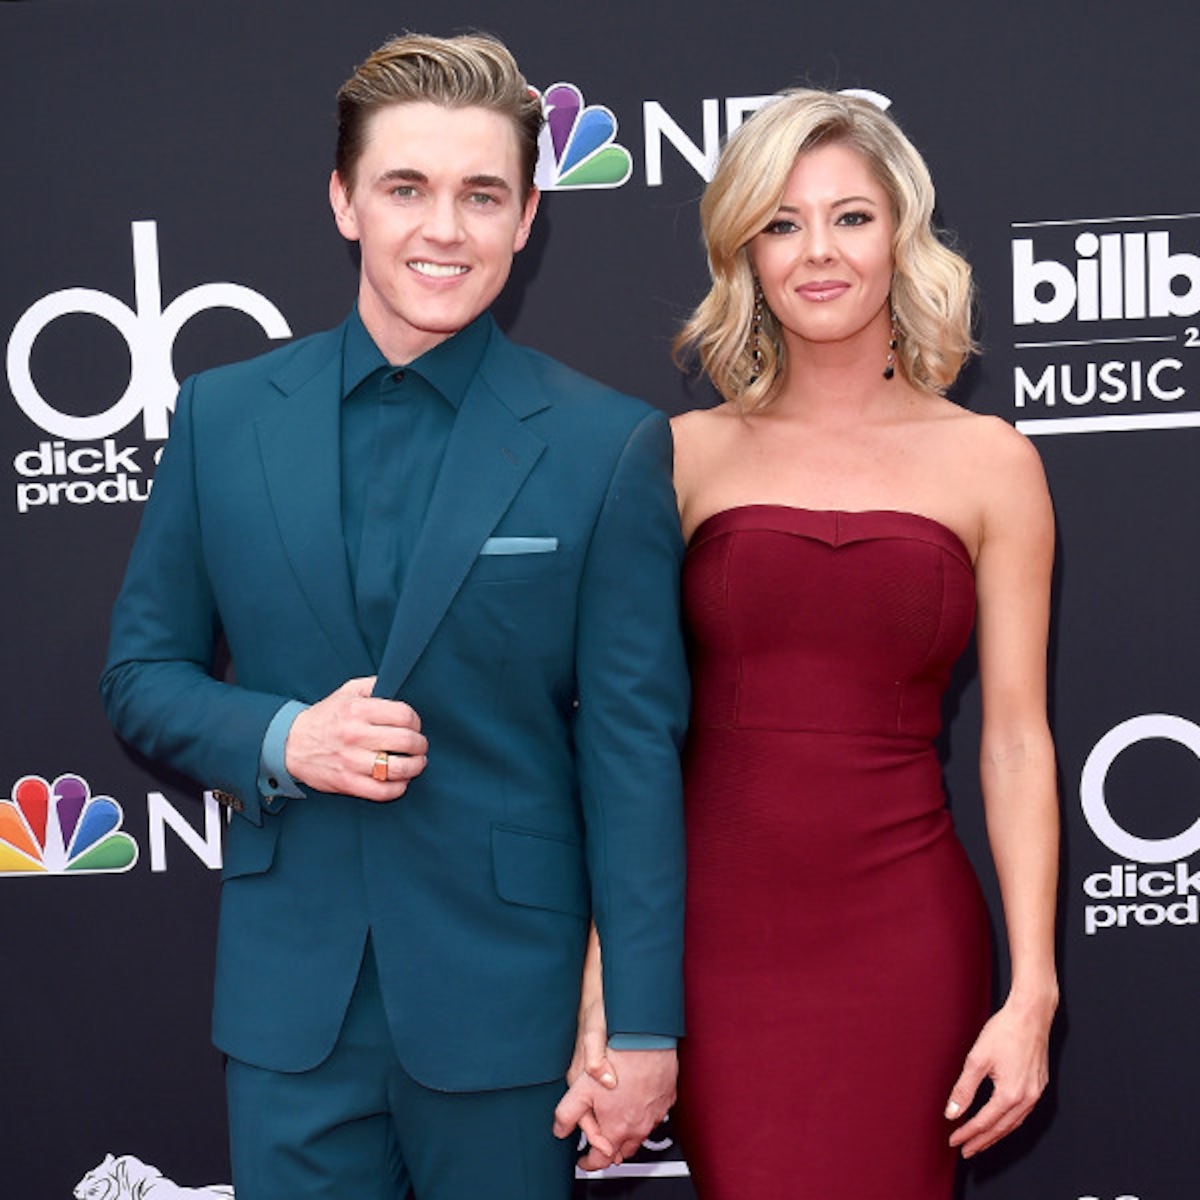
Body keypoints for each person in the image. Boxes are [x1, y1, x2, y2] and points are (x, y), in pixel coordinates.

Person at [100, 33, 686, 1200]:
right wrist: (283, 740)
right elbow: (141, 675)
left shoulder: (603, 443)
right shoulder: (222, 417)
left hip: (506, 1013)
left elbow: (632, 752)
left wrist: (643, 1028)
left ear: (527, 219)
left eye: (482, 195)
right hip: (290, 1012)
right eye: (406, 188)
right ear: (343, 202)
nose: (443, 228)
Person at [579, 89, 1060, 1197]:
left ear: (903, 234)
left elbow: (1018, 744)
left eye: (851, 216)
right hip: (717, 942)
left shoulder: (993, 463)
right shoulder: (681, 456)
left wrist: (1032, 991)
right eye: (782, 223)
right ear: (744, 252)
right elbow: (627, 741)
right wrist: (611, 985)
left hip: (905, 936)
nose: (819, 252)